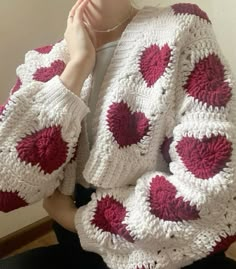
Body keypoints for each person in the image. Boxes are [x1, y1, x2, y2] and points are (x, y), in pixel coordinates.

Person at [0, 0, 236, 268]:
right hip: (80, 251)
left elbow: (212, 190)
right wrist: (75, 70)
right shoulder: (43, 64)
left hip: (167, 248)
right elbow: (7, 186)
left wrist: (78, 221)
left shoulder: (184, 30)